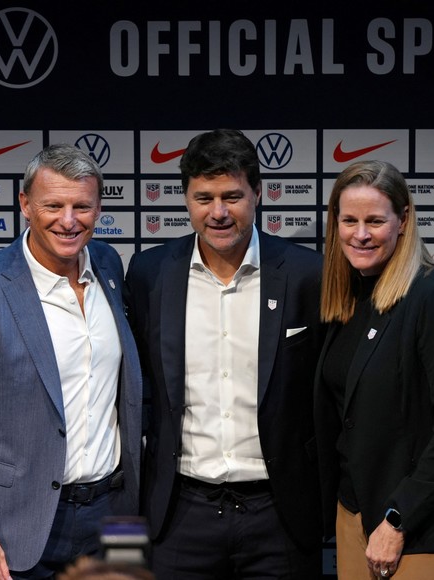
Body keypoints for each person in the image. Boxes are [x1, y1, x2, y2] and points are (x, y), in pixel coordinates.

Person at [125, 128, 324, 578]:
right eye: (203, 198)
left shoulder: (308, 274)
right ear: (186, 199)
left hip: (280, 513)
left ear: (258, 193)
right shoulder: (150, 273)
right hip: (180, 513)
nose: (218, 213)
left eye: (232, 196)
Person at [0, 144, 142, 580]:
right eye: (53, 205)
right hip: (21, 524)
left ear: (98, 208)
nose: (68, 221)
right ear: (25, 205)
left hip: (113, 514)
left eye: (81, 207)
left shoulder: (108, 264)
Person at [315, 160, 434, 579]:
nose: (360, 234)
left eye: (375, 220)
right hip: (356, 517)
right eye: (350, 220)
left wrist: (398, 519)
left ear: (403, 220)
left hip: (422, 530)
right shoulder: (350, 296)